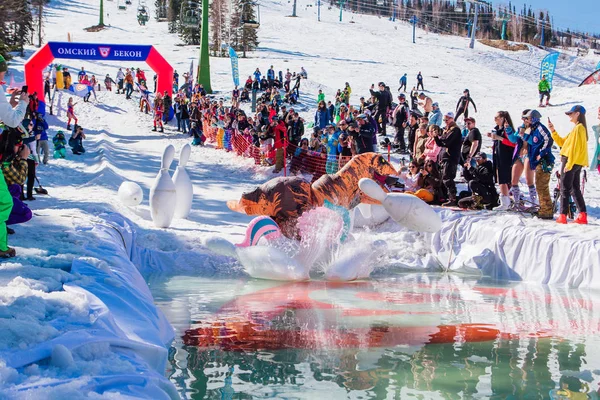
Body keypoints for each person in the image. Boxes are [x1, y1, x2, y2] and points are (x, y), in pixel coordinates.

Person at [549, 105, 589, 224]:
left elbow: (575, 149)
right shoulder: (577, 128)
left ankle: (562, 216)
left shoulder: (579, 129)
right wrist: (553, 131)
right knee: (574, 188)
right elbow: (563, 142)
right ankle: (582, 214)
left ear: (578, 114)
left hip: (571, 160)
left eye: (571, 113)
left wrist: (569, 164)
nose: (569, 116)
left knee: (564, 188)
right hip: (575, 161)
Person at [520, 109, 554, 219]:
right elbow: (533, 142)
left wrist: (541, 153)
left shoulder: (540, 128)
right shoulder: (532, 129)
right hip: (537, 161)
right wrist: (525, 133)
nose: (526, 120)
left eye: (528, 118)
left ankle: (546, 211)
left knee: (542, 186)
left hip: (544, 161)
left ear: (534, 119)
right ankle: (544, 209)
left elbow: (548, 139)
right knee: (539, 185)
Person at [507, 109, 537, 207]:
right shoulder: (521, 128)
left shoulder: (535, 129)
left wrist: (524, 135)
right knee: (514, 181)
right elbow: (513, 140)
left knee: (529, 180)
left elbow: (535, 142)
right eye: (522, 118)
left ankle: (533, 203)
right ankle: (517, 203)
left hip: (529, 155)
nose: (523, 120)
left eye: (525, 118)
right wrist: (509, 131)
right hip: (519, 155)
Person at [489, 111, 517, 211]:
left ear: (502, 118)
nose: (495, 119)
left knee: (504, 179)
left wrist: (499, 138)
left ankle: (506, 202)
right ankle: (505, 200)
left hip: (506, 157)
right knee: (500, 178)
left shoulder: (507, 129)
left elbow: (513, 143)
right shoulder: (498, 129)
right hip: (499, 155)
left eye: (496, 117)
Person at [434, 112, 462, 206]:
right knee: (443, 178)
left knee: (448, 178)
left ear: (452, 119)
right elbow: (440, 143)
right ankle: (447, 197)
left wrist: (437, 138)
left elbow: (446, 142)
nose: (446, 122)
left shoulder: (455, 130)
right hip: (444, 157)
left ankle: (452, 199)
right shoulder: (447, 130)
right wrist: (436, 137)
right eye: (444, 120)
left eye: (447, 119)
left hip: (451, 157)